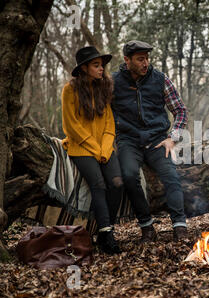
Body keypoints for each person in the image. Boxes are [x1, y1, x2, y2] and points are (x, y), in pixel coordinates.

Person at [111, 40, 188, 242]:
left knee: (171, 175)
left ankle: (180, 226)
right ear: (127, 60)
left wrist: (173, 138)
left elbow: (180, 111)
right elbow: (103, 115)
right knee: (128, 176)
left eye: (147, 58)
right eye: (140, 59)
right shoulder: (113, 83)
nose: (145, 63)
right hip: (128, 140)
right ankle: (146, 226)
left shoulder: (161, 79)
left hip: (158, 140)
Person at [61, 46, 123, 254]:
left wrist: (105, 149)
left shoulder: (104, 87)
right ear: (84, 68)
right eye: (96, 65)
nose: (101, 69)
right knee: (98, 184)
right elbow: (71, 126)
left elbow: (109, 123)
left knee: (117, 183)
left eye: (102, 65)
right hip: (80, 147)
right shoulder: (69, 90)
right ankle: (107, 234)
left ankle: (105, 232)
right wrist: (96, 149)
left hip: (103, 147)